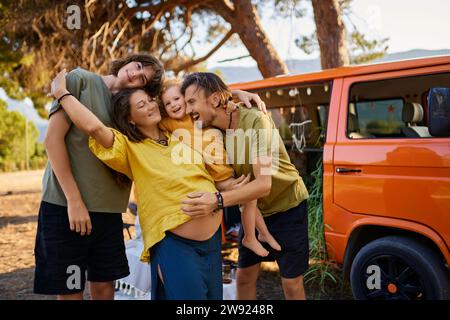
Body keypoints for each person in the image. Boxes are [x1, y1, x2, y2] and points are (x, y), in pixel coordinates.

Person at [48, 69, 256, 300]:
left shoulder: (177, 133)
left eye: (150, 101)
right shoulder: (129, 148)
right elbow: (95, 128)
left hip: (211, 243)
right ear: (129, 118)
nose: (150, 106)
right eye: (141, 105)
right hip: (175, 243)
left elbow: (200, 102)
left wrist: (235, 94)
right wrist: (62, 94)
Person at [34, 53, 164, 300]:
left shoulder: (134, 110)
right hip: (65, 206)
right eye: (137, 66)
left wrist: (237, 96)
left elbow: (184, 101)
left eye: (142, 79)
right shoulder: (79, 80)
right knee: (71, 289)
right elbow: (52, 140)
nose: (135, 74)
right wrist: (74, 201)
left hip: (109, 211)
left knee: (105, 289)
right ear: (129, 61)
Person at [179, 72, 310, 300]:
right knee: (244, 278)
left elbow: (263, 185)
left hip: (287, 207)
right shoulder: (212, 131)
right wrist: (237, 92)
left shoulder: (256, 120)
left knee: (291, 283)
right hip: (254, 212)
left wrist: (217, 200)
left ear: (215, 99)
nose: (188, 110)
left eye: (192, 102)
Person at [160, 79, 281, 257]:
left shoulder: (196, 115)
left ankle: (262, 234)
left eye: (177, 99)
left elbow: (213, 101)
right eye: (168, 103)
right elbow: (153, 117)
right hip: (218, 178)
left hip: (228, 169)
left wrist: (236, 93)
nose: (174, 105)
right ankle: (251, 237)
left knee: (249, 198)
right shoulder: (169, 123)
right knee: (248, 196)